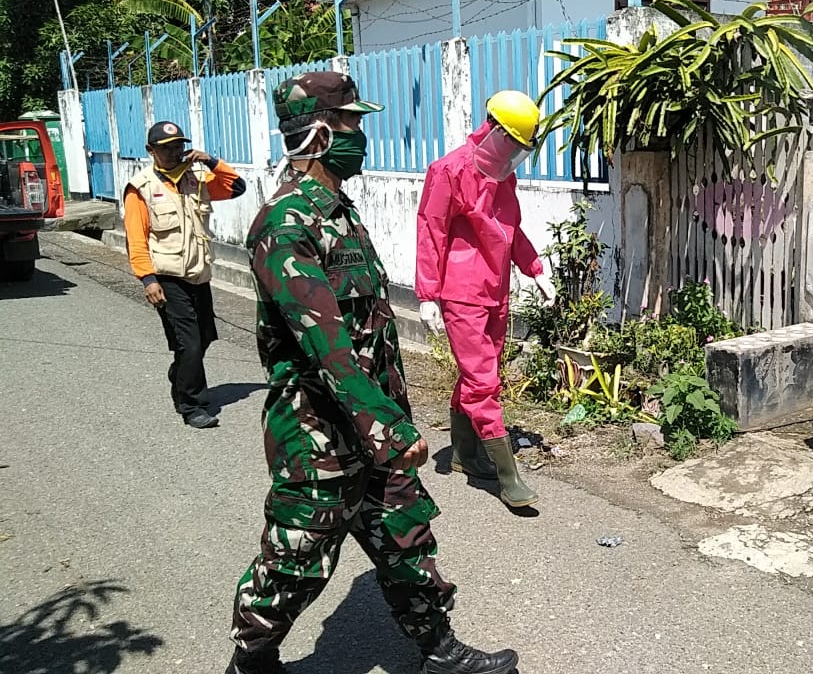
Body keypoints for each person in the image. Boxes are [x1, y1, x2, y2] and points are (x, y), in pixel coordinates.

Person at [226, 71, 518, 674]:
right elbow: (326, 344)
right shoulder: (286, 224)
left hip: (375, 423)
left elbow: (371, 334)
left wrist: (389, 419)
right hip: (319, 433)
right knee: (296, 557)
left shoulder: (341, 213)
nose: (361, 135)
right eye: (350, 123)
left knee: (407, 536)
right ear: (315, 134)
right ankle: (251, 661)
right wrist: (386, 427)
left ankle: (438, 649)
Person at [415, 90, 555, 509]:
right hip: (461, 294)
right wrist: (428, 294)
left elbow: (511, 230)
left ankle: (463, 454)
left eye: (520, 148)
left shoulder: (502, 176)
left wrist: (535, 269)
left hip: (496, 292)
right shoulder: (449, 170)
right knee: (483, 381)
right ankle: (508, 479)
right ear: (493, 131)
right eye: (511, 142)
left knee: (480, 374)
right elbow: (431, 230)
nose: (513, 153)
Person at [122, 121, 246, 429]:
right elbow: (135, 238)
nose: (175, 152)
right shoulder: (141, 188)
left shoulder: (196, 179)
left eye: (179, 146)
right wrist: (147, 279)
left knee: (204, 338)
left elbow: (236, 187)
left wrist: (211, 161)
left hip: (198, 274)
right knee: (188, 343)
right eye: (167, 148)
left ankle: (180, 374)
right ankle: (191, 404)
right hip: (166, 277)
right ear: (151, 151)